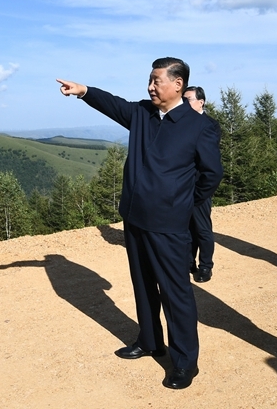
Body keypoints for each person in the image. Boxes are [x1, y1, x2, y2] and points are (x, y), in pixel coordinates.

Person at [56, 58, 222, 390]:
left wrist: (181, 203)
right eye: (150, 80)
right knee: (143, 285)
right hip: (135, 219)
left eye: (156, 81)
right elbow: (113, 104)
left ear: (177, 84)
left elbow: (211, 174)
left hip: (169, 224)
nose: (150, 87)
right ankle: (149, 341)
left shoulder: (199, 126)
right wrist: (84, 91)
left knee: (175, 292)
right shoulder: (143, 114)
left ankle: (185, 362)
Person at [183, 85, 220, 283]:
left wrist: (201, 190)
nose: (184, 103)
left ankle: (206, 266)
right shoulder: (181, 123)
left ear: (201, 102)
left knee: (202, 228)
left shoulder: (210, 125)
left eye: (188, 99)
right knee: (186, 227)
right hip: (182, 185)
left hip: (199, 185)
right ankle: (189, 262)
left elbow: (208, 162)